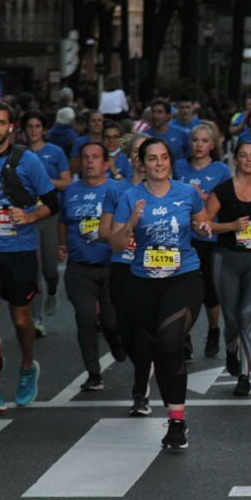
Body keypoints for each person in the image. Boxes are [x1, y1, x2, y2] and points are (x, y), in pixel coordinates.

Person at [110, 137, 211, 449]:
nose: (158, 163)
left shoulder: (187, 193)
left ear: (170, 161)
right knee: (158, 351)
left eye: (164, 158)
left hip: (184, 277)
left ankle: (177, 422)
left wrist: (203, 228)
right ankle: (173, 409)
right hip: (143, 282)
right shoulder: (130, 197)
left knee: (171, 342)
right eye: (152, 159)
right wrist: (131, 223)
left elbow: (199, 222)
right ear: (142, 163)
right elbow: (115, 244)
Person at [0, 101, 59, 413]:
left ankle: (28, 366)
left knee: (20, 319)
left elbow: (52, 203)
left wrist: (30, 218)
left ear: (10, 128)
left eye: (1, 123)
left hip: (19, 251)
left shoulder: (27, 161)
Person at [205, 141, 251, 395]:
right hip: (226, 258)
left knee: (248, 314)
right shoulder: (222, 191)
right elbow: (203, 225)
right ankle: (230, 349)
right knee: (232, 317)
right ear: (235, 159)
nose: (248, 160)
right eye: (243, 156)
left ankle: (245, 376)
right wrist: (230, 226)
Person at [58, 142, 125, 390]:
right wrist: (62, 244)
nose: (89, 161)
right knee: (85, 319)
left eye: (95, 157)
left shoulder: (118, 190)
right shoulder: (71, 191)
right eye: (85, 157)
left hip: (111, 266)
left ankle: (117, 342)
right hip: (80, 268)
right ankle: (94, 374)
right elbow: (63, 221)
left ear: (105, 163)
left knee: (111, 322)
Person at [99, 133, 152, 416]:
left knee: (144, 333)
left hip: (151, 269)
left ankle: (140, 392)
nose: (142, 158)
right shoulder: (116, 191)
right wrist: (128, 228)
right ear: (132, 159)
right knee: (123, 328)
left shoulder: (166, 190)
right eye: (136, 153)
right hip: (122, 264)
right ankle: (142, 364)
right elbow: (104, 232)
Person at [175, 123, 231, 359]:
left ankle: (213, 330)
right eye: (195, 140)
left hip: (210, 236)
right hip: (181, 237)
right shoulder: (179, 167)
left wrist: (205, 198)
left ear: (212, 145)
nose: (199, 145)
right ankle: (183, 336)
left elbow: (227, 203)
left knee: (210, 290)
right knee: (181, 288)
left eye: (204, 141)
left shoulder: (220, 169)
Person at [24, 110, 71, 337]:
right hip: (27, 218)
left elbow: (67, 182)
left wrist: (43, 181)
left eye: (37, 126)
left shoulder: (55, 152)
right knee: (32, 271)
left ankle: (53, 291)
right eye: (29, 126)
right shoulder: (18, 154)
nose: (33, 130)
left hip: (50, 215)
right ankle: (37, 319)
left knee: (50, 271)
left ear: (44, 129)